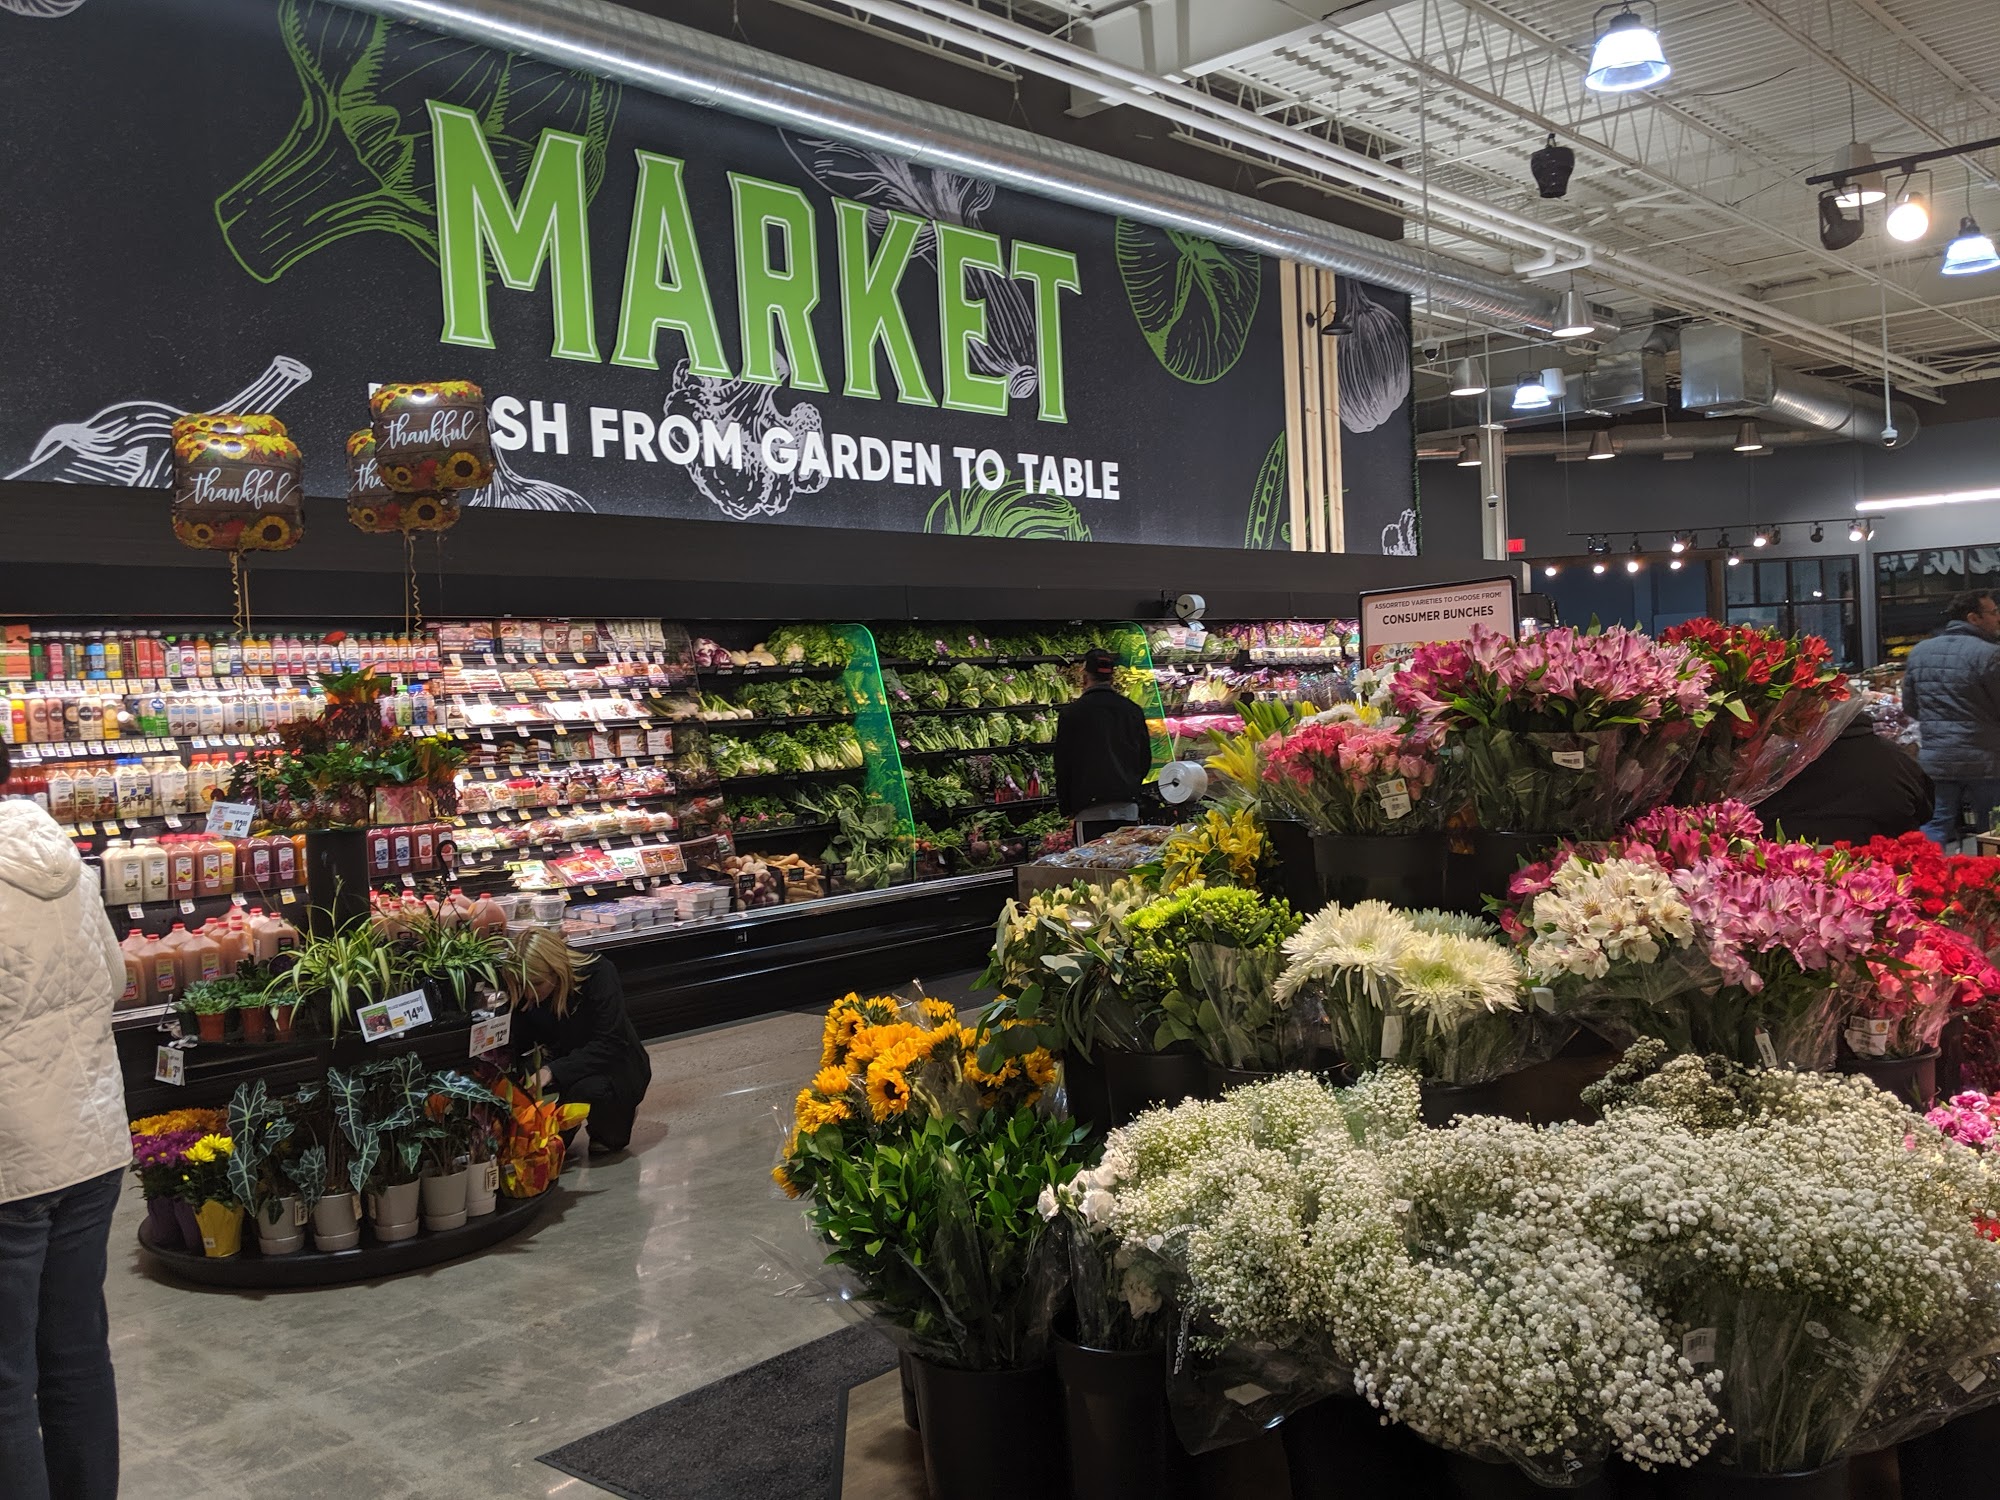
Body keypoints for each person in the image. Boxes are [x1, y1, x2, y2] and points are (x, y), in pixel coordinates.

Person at [0, 739, 129, 1500]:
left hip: (10, 1161)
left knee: (6, 1382)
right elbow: (113, 978)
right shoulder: (65, 860)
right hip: (91, 1138)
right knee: (77, 1355)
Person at [504, 928, 652, 1155]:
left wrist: (552, 1071)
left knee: (606, 1139)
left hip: (614, 1065)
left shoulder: (599, 972)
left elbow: (611, 1043)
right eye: (522, 986)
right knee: (548, 1147)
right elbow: (520, 1045)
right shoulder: (526, 991)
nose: (529, 995)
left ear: (556, 970)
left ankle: (618, 1117)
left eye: (536, 984)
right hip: (562, 1059)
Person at [1901, 590, 2000, 846]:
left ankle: (1925, 870)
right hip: (1985, 760)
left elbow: (1910, 706)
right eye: (1993, 612)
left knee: (1935, 824)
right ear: (1973, 618)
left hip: (1936, 759)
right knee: (1992, 830)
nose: (1998, 618)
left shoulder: (1920, 652)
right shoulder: (1990, 655)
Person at [1752, 710, 1933, 845]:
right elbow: (1925, 810)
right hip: (1882, 870)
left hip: (1793, 870)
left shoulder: (1785, 762)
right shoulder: (1897, 760)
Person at [1054, 647, 1153, 845]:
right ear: (1112, 677)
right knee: (1126, 861)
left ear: (1085, 677)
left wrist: (1066, 807)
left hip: (1089, 810)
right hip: (1127, 808)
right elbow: (1144, 759)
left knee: (1089, 862)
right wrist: (1131, 786)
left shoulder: (1072, 713)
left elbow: (1063, 764)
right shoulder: (1132, 711)